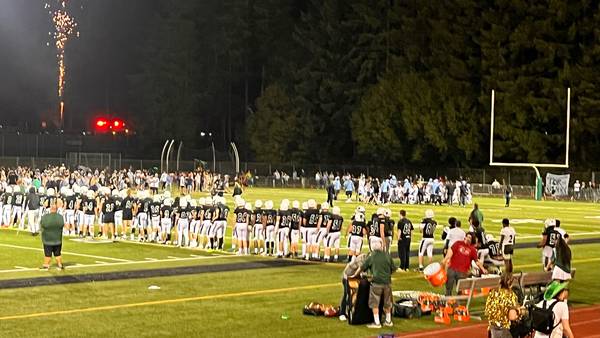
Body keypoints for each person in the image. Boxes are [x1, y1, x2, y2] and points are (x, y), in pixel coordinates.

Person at [351, 240, 396, 328]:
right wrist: (387, 274)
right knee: (387, 302)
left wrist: (355, 275)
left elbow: (362, 267)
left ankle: (377, 323)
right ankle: (388, 321)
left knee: (374, 303)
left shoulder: (372, 256)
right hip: (387, 282)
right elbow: (393, 269)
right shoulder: (387, 255)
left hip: (376, 283)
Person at [485, 273, 518, 338]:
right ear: (510, 284)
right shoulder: (511, 295)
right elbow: (512, 317)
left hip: (493, 328)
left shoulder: (492, 293)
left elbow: (487, 312)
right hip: (504, 329)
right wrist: (518, 313)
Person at [339, 253, 367, 321]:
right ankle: (342, 313)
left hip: (354, 276)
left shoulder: (367, 258)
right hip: (348, 276)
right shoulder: (362, 258)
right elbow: (360, 270)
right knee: (347, 294)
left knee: (356, 295)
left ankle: (353, 311)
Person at [40, 198, 65, 270]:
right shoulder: (60, 217)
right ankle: (60, 264)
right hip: (57, 239)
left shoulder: (45, 217)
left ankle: (46, 265)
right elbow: (62, 224)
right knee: (58, 254)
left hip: (48, 239)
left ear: (50, 209)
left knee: (47, 254)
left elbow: (43, 224)